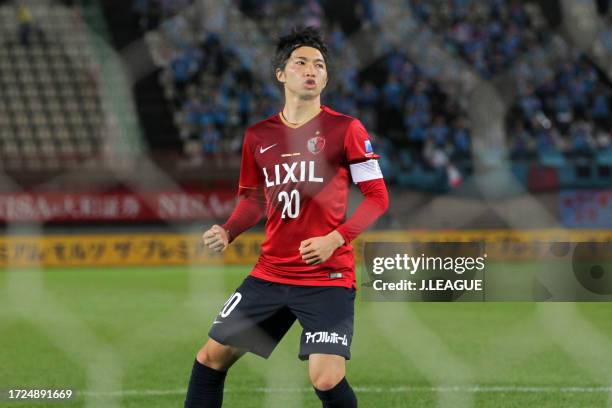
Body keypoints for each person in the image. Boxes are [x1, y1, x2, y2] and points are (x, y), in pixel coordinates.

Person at [184, 26, 389, 408]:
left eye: (319, 65)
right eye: (301, 62)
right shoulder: (258, 136)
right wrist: (228, 231)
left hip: (327, 276)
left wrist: (335, 238)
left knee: (326, 379)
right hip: (270, 274)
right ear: (281, 74)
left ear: (326, 77)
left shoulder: (346, 129)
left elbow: (377, 198)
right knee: (209, 359)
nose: (311, 70)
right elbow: (252, 200)